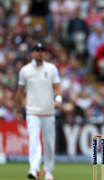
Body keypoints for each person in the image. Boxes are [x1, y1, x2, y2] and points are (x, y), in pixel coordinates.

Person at [15, 42, 62, 180]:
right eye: (37, 50)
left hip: (48, 111)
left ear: (45, 53)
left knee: (48, 142)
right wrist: (18, 111)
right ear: (32, 53)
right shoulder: (25, 70)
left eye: (42, 50)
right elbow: (20, 92)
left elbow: (58, 87)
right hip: (32, 112)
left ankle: (48, 171)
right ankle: (34, 169)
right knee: (34, 140)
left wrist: (58, 98)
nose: (39, 52)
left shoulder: (52, 68)